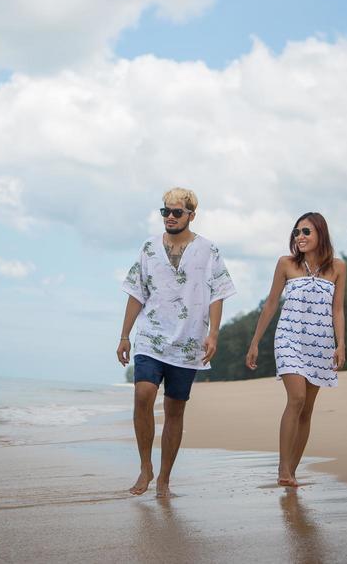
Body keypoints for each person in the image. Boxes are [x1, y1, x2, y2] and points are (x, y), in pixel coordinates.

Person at [117, 187, 236, 497]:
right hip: (150, 337)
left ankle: (165, 479)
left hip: (188, 342)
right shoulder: (148, 248)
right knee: (143, 394)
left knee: (174, 409)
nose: (170, 217)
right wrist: (124, 335)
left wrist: (214, 333)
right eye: (165, 211)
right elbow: (135, 293)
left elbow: (218, 293)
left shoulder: (209, 250)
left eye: (177, 212)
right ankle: (145, 466)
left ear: (191, 215)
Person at [245, 211, 346, 487]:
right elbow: (270, 304)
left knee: (308, 408)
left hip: (321, 343)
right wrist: (255, 341)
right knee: (297, 399)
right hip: (288, 339)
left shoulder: (337, 268)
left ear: (320, 235)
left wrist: (340, 344)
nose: (299, 237)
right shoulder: (286, 264)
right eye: (297, 232)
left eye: (306, 232)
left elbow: (338, 310)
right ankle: (283, 467)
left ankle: (292, 469)